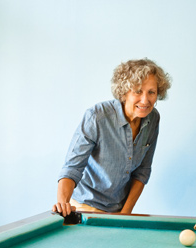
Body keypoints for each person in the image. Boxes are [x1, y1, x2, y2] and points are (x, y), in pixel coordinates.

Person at [53, 59, 171, 217]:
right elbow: (73, 167)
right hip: (84, 207)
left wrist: (125, 214)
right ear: (124, 92)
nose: (145, 100)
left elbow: (142, 172)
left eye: (151, 92)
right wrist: (63, 204)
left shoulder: (152, 119)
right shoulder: (97, 116)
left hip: (118, 211)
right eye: (138, 91)